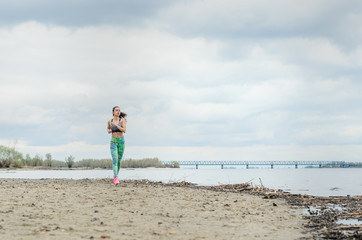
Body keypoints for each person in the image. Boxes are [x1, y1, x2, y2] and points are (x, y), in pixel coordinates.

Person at [107, 106, 127, 185]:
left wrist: (116, 126)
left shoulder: (122, 120)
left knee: (119, 161)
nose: (118, 111)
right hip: (113, 141)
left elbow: (124, 130)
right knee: (115, 159)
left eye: (119, 110)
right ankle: (116, 178)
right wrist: (109, 130)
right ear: (113, 112)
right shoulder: (110, 121)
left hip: (121, 141)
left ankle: (115, 175)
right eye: (116, 110)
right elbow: (108, 128)